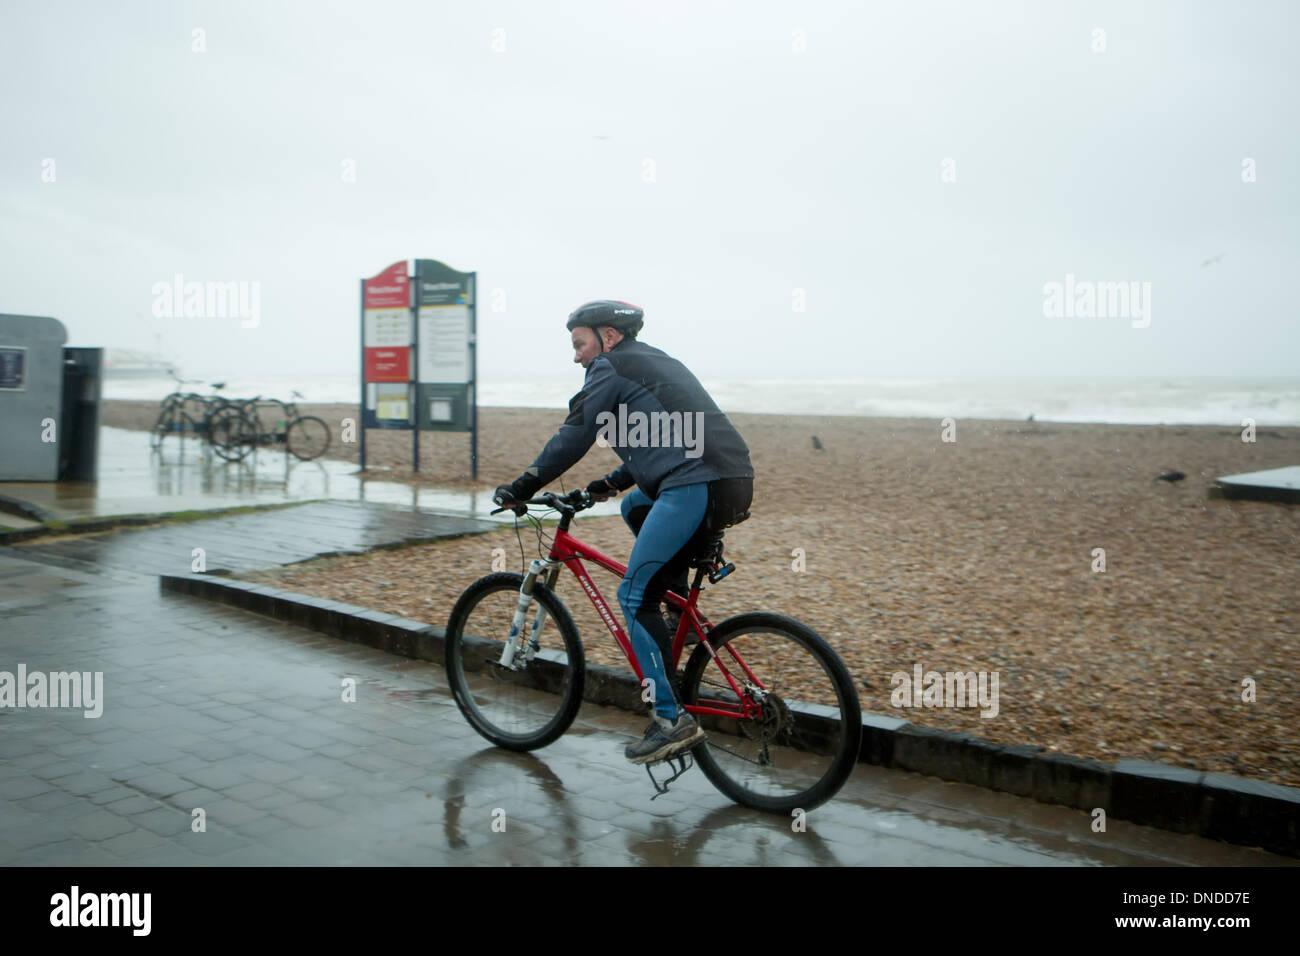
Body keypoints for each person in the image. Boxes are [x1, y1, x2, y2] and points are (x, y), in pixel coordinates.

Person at [494, 299, 754, 765]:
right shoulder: (652, 361)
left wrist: (521, 487)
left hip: (694, 487)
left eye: (580, 344)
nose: (576, 355)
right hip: (728, 483)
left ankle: (671, 720)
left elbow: (575, 434)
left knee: (633, 597)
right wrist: (608, 484)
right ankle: (677, 614)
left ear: (608, 337)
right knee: (635, 505)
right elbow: (664, 437)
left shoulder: (609, 366)